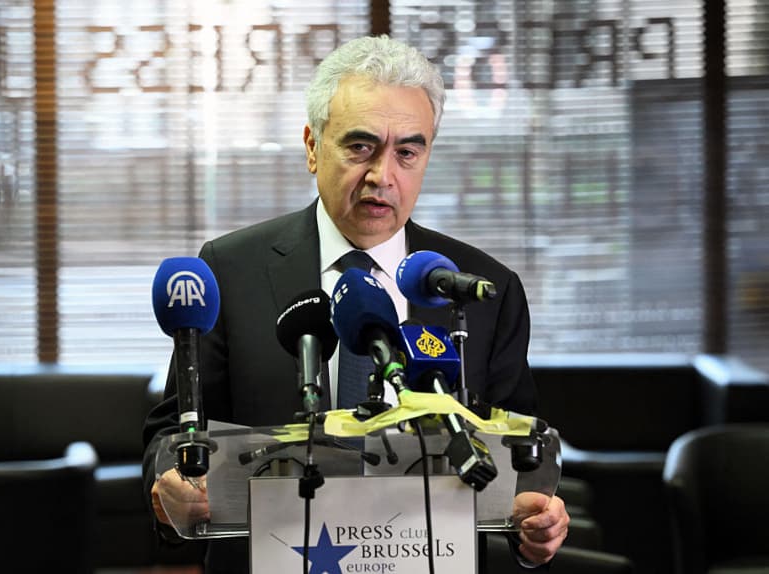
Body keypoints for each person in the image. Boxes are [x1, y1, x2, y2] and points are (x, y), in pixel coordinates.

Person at [143, 34, 569, 573]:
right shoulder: (230, 270)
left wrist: (537, 524)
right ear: (312, 147)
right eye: (360, 146)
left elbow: (522, 457)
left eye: (407, 152)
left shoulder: (482, 289)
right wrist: (171, 489)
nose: (382, 176)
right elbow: (171, 433)